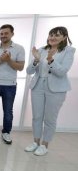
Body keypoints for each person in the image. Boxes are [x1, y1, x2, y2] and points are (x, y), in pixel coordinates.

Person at [24, 26, 75, 156]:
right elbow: (29, 71)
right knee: (37, 116)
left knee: (50, 118)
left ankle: (44, 145)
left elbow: (62, 71)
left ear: (64, 37)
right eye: (51, 35)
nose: (52, 38)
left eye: (57, 35)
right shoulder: (41, 50)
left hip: (56, 88)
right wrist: (36, 60)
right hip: (38, 85)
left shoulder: (68, 51)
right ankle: (35, 142)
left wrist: (51, 60)